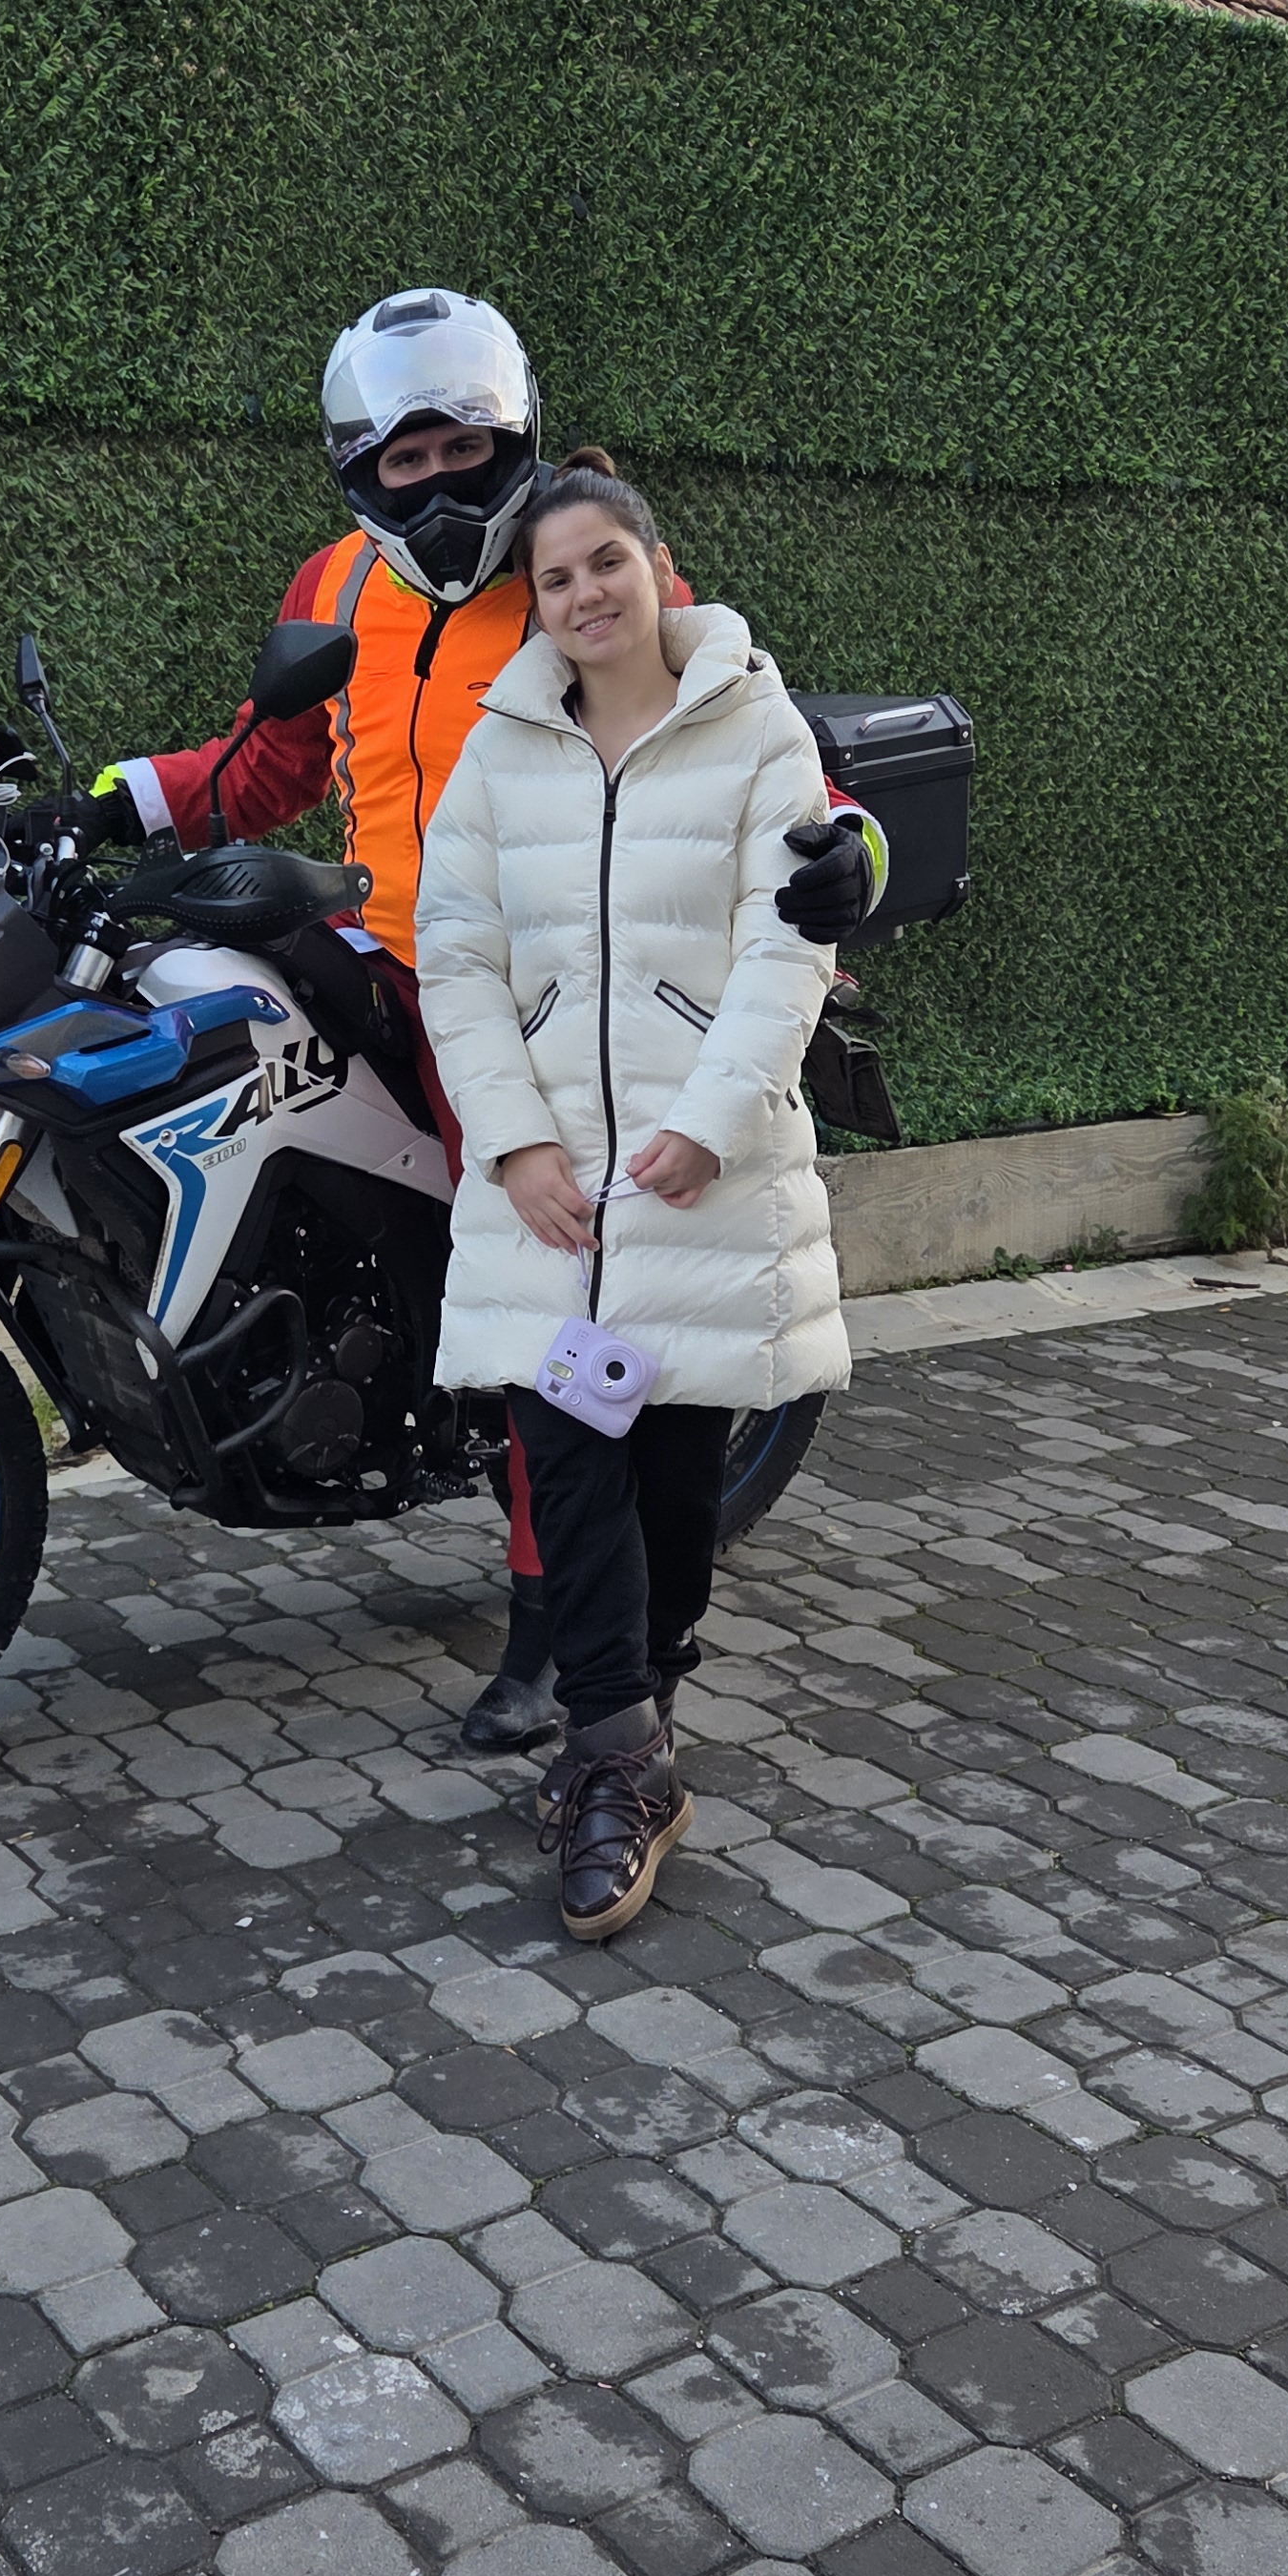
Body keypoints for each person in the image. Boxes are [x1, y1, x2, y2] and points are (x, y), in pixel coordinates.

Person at [87, 291, 873, 1753]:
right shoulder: (335, 585)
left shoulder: (577, 566)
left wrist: (842, 841)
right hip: (390, 949)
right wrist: (110, 799)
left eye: (464, 449)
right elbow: (266, 768)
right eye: (406, 460)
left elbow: (721, 723)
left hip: (546, 994)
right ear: (359, 473)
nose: (439, 485)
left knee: (544, 1286)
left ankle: (552, 1627)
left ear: (513, 444)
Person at [412, 453, 850, 1939]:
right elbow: (457, 953)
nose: (585, 593)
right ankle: (616, 1756)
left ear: (659, 567)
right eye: (554, 577)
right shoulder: (498, 749)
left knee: (672, 1473)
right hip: (546, 1188)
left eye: (606, 560)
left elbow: (790, 939)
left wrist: (711, 1126)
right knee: (564, 1453)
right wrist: (512, 1141)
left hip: (694, 1171)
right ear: (532, 606)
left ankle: (633, 1718)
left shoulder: (758, 727)